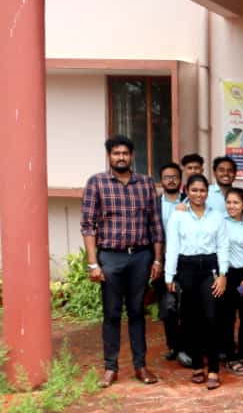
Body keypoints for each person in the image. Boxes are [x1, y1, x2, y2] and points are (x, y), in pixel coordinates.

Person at [81, 135, 164, 389]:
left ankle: (140, 366)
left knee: (137, 311)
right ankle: (110, 367)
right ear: (109, 156)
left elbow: (155, 225)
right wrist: (93, 264)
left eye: (125, 153)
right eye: (116, 153)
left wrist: (157, 259)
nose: (121, 157)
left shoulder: (145, 184)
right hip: (110, 257)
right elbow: (88, 225)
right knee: (112, 313)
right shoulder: (96, 183)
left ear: (132, 156)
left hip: (140, 256)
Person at [164, 173, 229, 390]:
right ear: (187, 191)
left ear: (207, 193)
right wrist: (169, 276)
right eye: (194, 190)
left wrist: (223, 274)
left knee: (211, 317)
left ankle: (213, 369)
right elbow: (172, 246)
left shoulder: (216, 216)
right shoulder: (178, 216)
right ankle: (197, 366)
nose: (198, 194)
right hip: (186, 269)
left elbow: (223, 246)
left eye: (202, 190)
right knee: (191, 319)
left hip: (210, 269)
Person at [220, 187, 243, 376]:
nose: (231, 206)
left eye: (236, 202)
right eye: (229, 202)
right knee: (227, 318)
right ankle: (230, 357)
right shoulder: (220, 222)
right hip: (226, 275)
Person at [156, 163, 185, 364]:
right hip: (162, 259)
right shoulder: (154, 204)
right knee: (167, 306)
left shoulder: (189, 201)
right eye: (167, 177)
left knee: (186, 305)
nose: (171, 180)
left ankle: (186, 346)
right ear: (162, 180)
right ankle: (173, 346)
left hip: (185, 260)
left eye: (174, 177)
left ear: (180, 180)